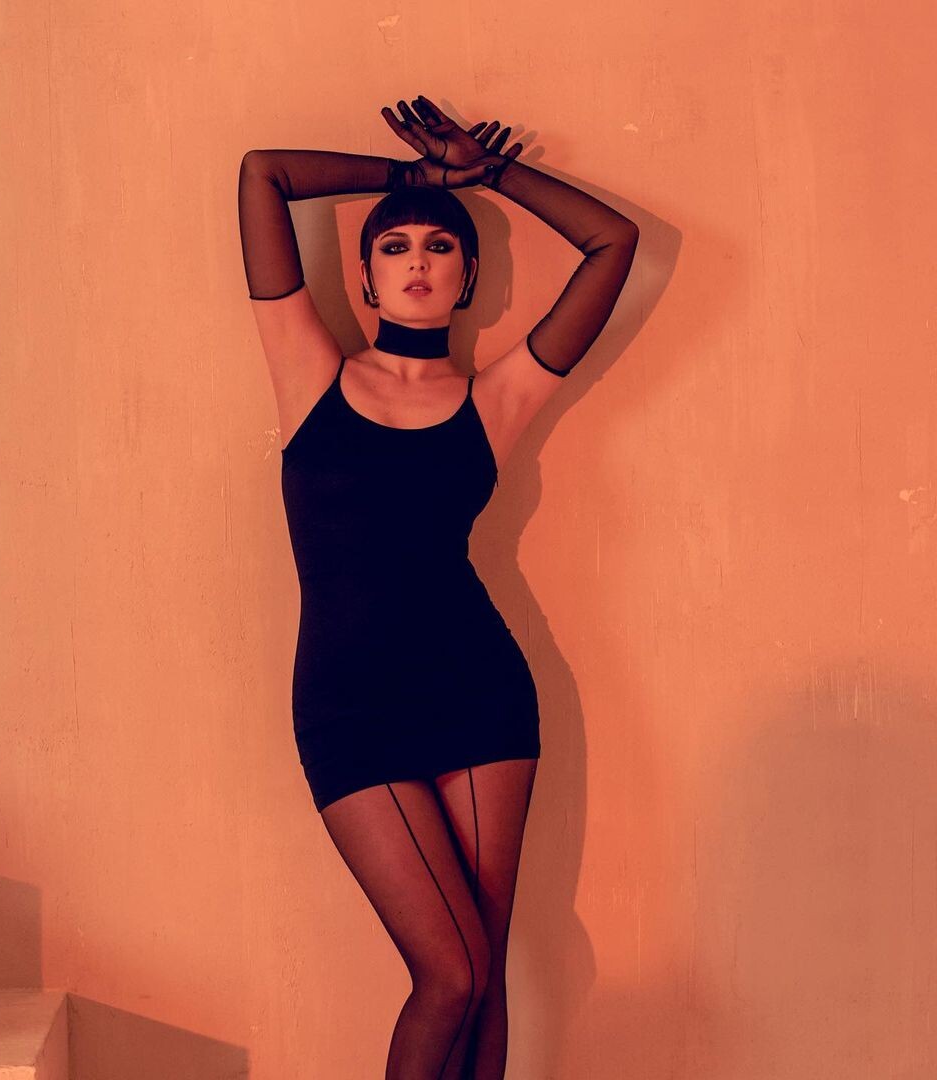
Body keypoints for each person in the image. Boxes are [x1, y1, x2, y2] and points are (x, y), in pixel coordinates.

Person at [237, 94, 638, 1080]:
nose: (417, 259)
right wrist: (416, 179)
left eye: (440, 246)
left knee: (486, 976)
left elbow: (613, 245)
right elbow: (262, 175)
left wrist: (494, 174)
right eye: (395, 247)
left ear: (468, 281)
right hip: (348, 707)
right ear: (366, 278)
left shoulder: (495, 400)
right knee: (450, 975)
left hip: (479, 694)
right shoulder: (310, 375)